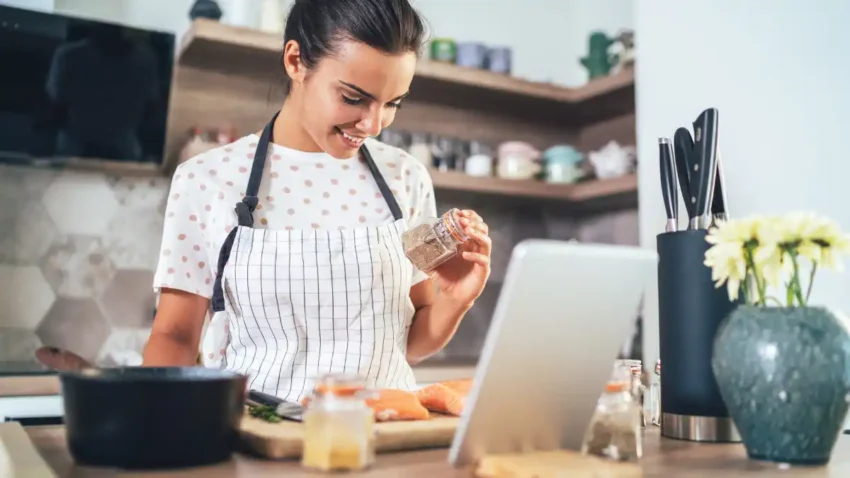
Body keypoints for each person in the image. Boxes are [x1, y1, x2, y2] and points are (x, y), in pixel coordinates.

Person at [143, 0, 492, 402]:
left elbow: (406, 346)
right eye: (353, 98)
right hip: (260, 439)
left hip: (383, 441)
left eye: (393, 103)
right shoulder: (207, 178)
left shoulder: (406, 177)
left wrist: (454, 301)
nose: (374, 125)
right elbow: (175, 335)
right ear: (295, 61)